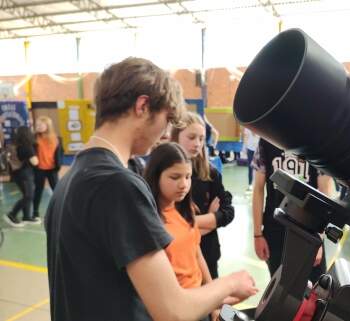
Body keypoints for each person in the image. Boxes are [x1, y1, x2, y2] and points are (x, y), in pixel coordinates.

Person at [45, 57, 257, 321]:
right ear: (143, 106)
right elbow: (173, 311)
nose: (165, 132)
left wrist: (212, 295)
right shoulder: (118, 185)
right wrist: (229, 284)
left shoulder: (69, 181)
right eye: (166, 119)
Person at [145, 142, 233, 321]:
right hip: (177, 308)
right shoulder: (149, 221)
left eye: (188, 177)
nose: (183, 184)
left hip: (200, 300)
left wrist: (214, 299)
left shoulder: (187, 210)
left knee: (232, 316)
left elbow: (197, 254)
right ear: (156, 177)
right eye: (175, 177)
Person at [252, 138, 334, 282]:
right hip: (275, 228)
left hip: (308, 231)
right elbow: (258, 189)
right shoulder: (266, 139)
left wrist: (319, 241)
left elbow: (324, 193)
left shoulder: (318, 138)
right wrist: (257, 235)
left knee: (316, 291)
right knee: (280, 288)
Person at [171, 111, 234, 279]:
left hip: (208, 253)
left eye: (201, 138)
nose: (197, 143)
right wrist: (211, 219)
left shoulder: (210, 174)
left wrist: (189, 224)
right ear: (176, 137)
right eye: (191, 137)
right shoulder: (164, 175)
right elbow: (169, 230)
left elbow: (228, 212)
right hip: (178, 260)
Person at [4, 126, 39, 227]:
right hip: (25, 175)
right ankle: (12, 215)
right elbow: (35, 162)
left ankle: (27, 216)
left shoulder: (16, 145)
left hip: (17, 174)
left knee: (26, 195)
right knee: (29, 196)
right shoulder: (27, 147)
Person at [33, 116, 62, 221]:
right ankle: (35, 212)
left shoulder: (56, 138)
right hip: (39, 169)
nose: (39, 127)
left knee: (57, 191)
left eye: (41, 124)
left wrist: (58, 165)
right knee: (38, 191)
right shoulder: (34, 137)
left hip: (52, 169)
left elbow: (59, 153)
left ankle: (60, 211)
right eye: (37, 125)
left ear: (48, 126)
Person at [243, 128, 259, 192]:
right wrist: (244, 147)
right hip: (250, 149)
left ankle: (258, 184)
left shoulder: (260, 125)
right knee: (250, 167)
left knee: (258, 168)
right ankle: (250, 184)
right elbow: (246, 136)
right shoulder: (247, 126)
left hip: (258, 149)